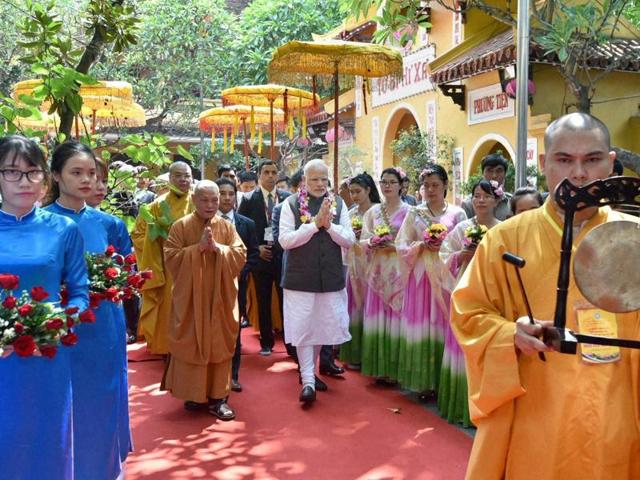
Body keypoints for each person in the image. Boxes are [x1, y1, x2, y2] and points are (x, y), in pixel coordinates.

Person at [451, 113, 640, 479]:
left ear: (612, 163)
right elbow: (468, 313)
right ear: (544, 164)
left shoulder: (633, 238)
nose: (580, 174)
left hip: (616, 415)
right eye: (565, 160)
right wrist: (510, 335)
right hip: (535, 417)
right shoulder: (506, 239)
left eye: (593, 159)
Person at [0, 135, 89, 480]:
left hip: (47, 358)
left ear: (45, 178)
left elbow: (79, 294)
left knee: (47, 443)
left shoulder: (64, 229)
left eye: (32, 172)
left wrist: (57, 325)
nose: (23, 181)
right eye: (11, 172)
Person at [45, 141, 131, 480]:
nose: (86, 180)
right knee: (64, 404)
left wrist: (111, 283)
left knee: (101, 401)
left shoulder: (110, 224)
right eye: (76, 173)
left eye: (91, 173)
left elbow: (128, 272)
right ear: (55, 175)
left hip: (105, 326)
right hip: (62, 328)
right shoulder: (43, 222)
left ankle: (106, 470)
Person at [163, 180, 246, 420]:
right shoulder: (180, 227)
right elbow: (171, 258)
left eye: (214, 200)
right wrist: (196, 249)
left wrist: (219, 249)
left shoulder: (227, 227)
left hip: (220, 297)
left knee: (218, 343)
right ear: (193, 200)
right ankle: (193, 393)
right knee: (191, 340)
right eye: (204, 200)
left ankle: (219, 398)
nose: (210, 205)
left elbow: (240, 254)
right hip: (191, 300)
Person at [279, 160, 355, 404]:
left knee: (321, 325)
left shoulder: (339, 204)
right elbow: (286, 241)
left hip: (330, 275)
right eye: (315, 179)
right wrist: (313, 225)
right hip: (300, 277)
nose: (320, 184)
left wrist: (329, 225)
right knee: (303, 327)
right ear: (304, 180)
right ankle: (308, 381)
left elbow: (349, 240)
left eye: (324, 179)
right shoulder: (290, 204)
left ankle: (311, 375)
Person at [395, 164, 466, 394]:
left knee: (443, 325)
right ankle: (423, 381)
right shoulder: (415, 213)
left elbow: (464, 244)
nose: (430, 190)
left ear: (445, 185)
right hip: (421, 277)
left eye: (435, 185)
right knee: (423, 326)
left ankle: (443, 381)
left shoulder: (458, 214)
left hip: (447, 275)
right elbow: (401, 244)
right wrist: (422, 245)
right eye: (426, 186)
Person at [438, 179, 501, 427]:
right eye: (476, 196)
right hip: (464, 290)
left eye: (486, 196)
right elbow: (443, 255)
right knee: (459, 346)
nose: (480, 200)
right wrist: (460, 255)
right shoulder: (462, 228)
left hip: (490, 293)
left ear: (496, 199)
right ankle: (459, 404)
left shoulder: (503, 228)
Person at [132, 161, 194, 355]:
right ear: (170, 178)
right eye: (178, 175)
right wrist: (156, 240)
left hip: (193, 265)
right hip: (165, 268)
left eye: (187, 175)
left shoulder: (199, 202)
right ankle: (167, 348)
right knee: (168, 308)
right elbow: (138, 235)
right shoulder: (156, 206)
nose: (183, 180)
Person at [359, 168, 411, 383]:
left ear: (401, 185)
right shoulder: (372, 212)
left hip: (400, 270)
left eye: (392, 181)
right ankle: (379, 369)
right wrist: (373, 242)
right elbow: (362, 240)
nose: (387, 185)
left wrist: (396, 245)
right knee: (378, 318)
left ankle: (396, 370)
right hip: (378, 269)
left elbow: (413, 241)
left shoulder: (411, 211)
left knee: (396, 319)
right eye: (384, 182)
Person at [238, 160, 290, 355]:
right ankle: (266, 342)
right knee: (263, 300)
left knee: (286, 299)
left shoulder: (287, 198)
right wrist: (256, 247)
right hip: (261, 258)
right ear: (259, 175)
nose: (270, 176)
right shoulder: (250, 198)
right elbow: (240, 226)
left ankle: (290, 344)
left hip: (283, 256)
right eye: (266, 172)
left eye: (274, 172)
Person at [215, 177, 259, 393]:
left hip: (237, 285)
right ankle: (211, 377)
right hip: (210, 286)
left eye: (230, 194)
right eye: (222, 193)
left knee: (233, 331)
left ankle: (232, 376)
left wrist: (239, 272)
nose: (226, 198)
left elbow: (253, 254)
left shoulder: (246, 224)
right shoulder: (205, 222)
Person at [340, 172, 380, 368]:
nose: (354, 196)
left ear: (368, 190)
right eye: (352, 192)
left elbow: (383, 237)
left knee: (371, 309)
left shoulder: (379, 212)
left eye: (358, 191)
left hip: (374, 266)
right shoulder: (350, 214)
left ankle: (371, 355)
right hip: (354, 266)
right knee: (355, 308)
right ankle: (355, 354)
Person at [461, 153, 512, 220]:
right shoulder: (469, 204)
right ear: (482, 174)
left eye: (499, 171)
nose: (494, 176)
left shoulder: (512, 202)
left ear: (505, 174)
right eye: (489, 170)